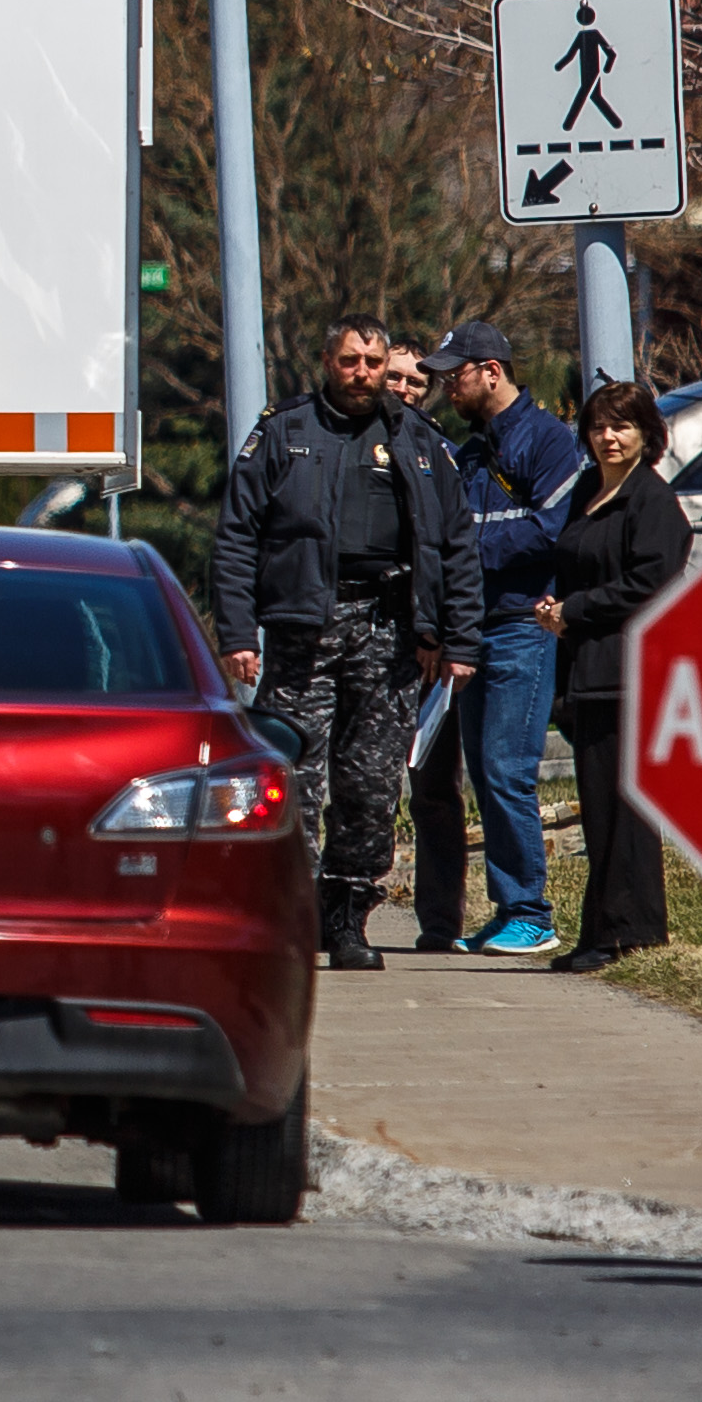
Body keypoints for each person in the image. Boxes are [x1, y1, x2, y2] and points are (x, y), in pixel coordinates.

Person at [214, 317, 480, 970]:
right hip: (301, 630)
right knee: (293, 783)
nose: (361, 371)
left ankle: (347, 915)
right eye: (349, 359)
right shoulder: (283, 431)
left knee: (369, 788)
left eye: (371, 360)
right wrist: (236, 630)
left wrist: (457, 636)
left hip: (386, 632)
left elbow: (455, 544)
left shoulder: (416, 439)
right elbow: (236, 536)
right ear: (326, 360)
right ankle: (294, 910)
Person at [405, 319, 588, 957]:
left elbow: (551, 531)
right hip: (474, 630)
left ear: (492, 370)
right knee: (485, 772)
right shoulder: (472, 450)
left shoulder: (548, 441)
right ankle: (510, 907)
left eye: (454, 375)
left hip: (520, 628)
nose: (445, 387)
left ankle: (533, 912)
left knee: (509, 771)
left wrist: (467, 552)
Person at [532, 377, 686, 973]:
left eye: (621, 425)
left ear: (646, 433)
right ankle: (603, 926)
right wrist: (556, 608)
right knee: (599, 805)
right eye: (598, 426)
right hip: (586, 670)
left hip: (631, 671)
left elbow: (650, 580)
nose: (608, 437)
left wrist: (577, 610)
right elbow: (573, 564)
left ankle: (629, 930)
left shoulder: (651, 501)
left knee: (625, 807)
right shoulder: (588, 494)